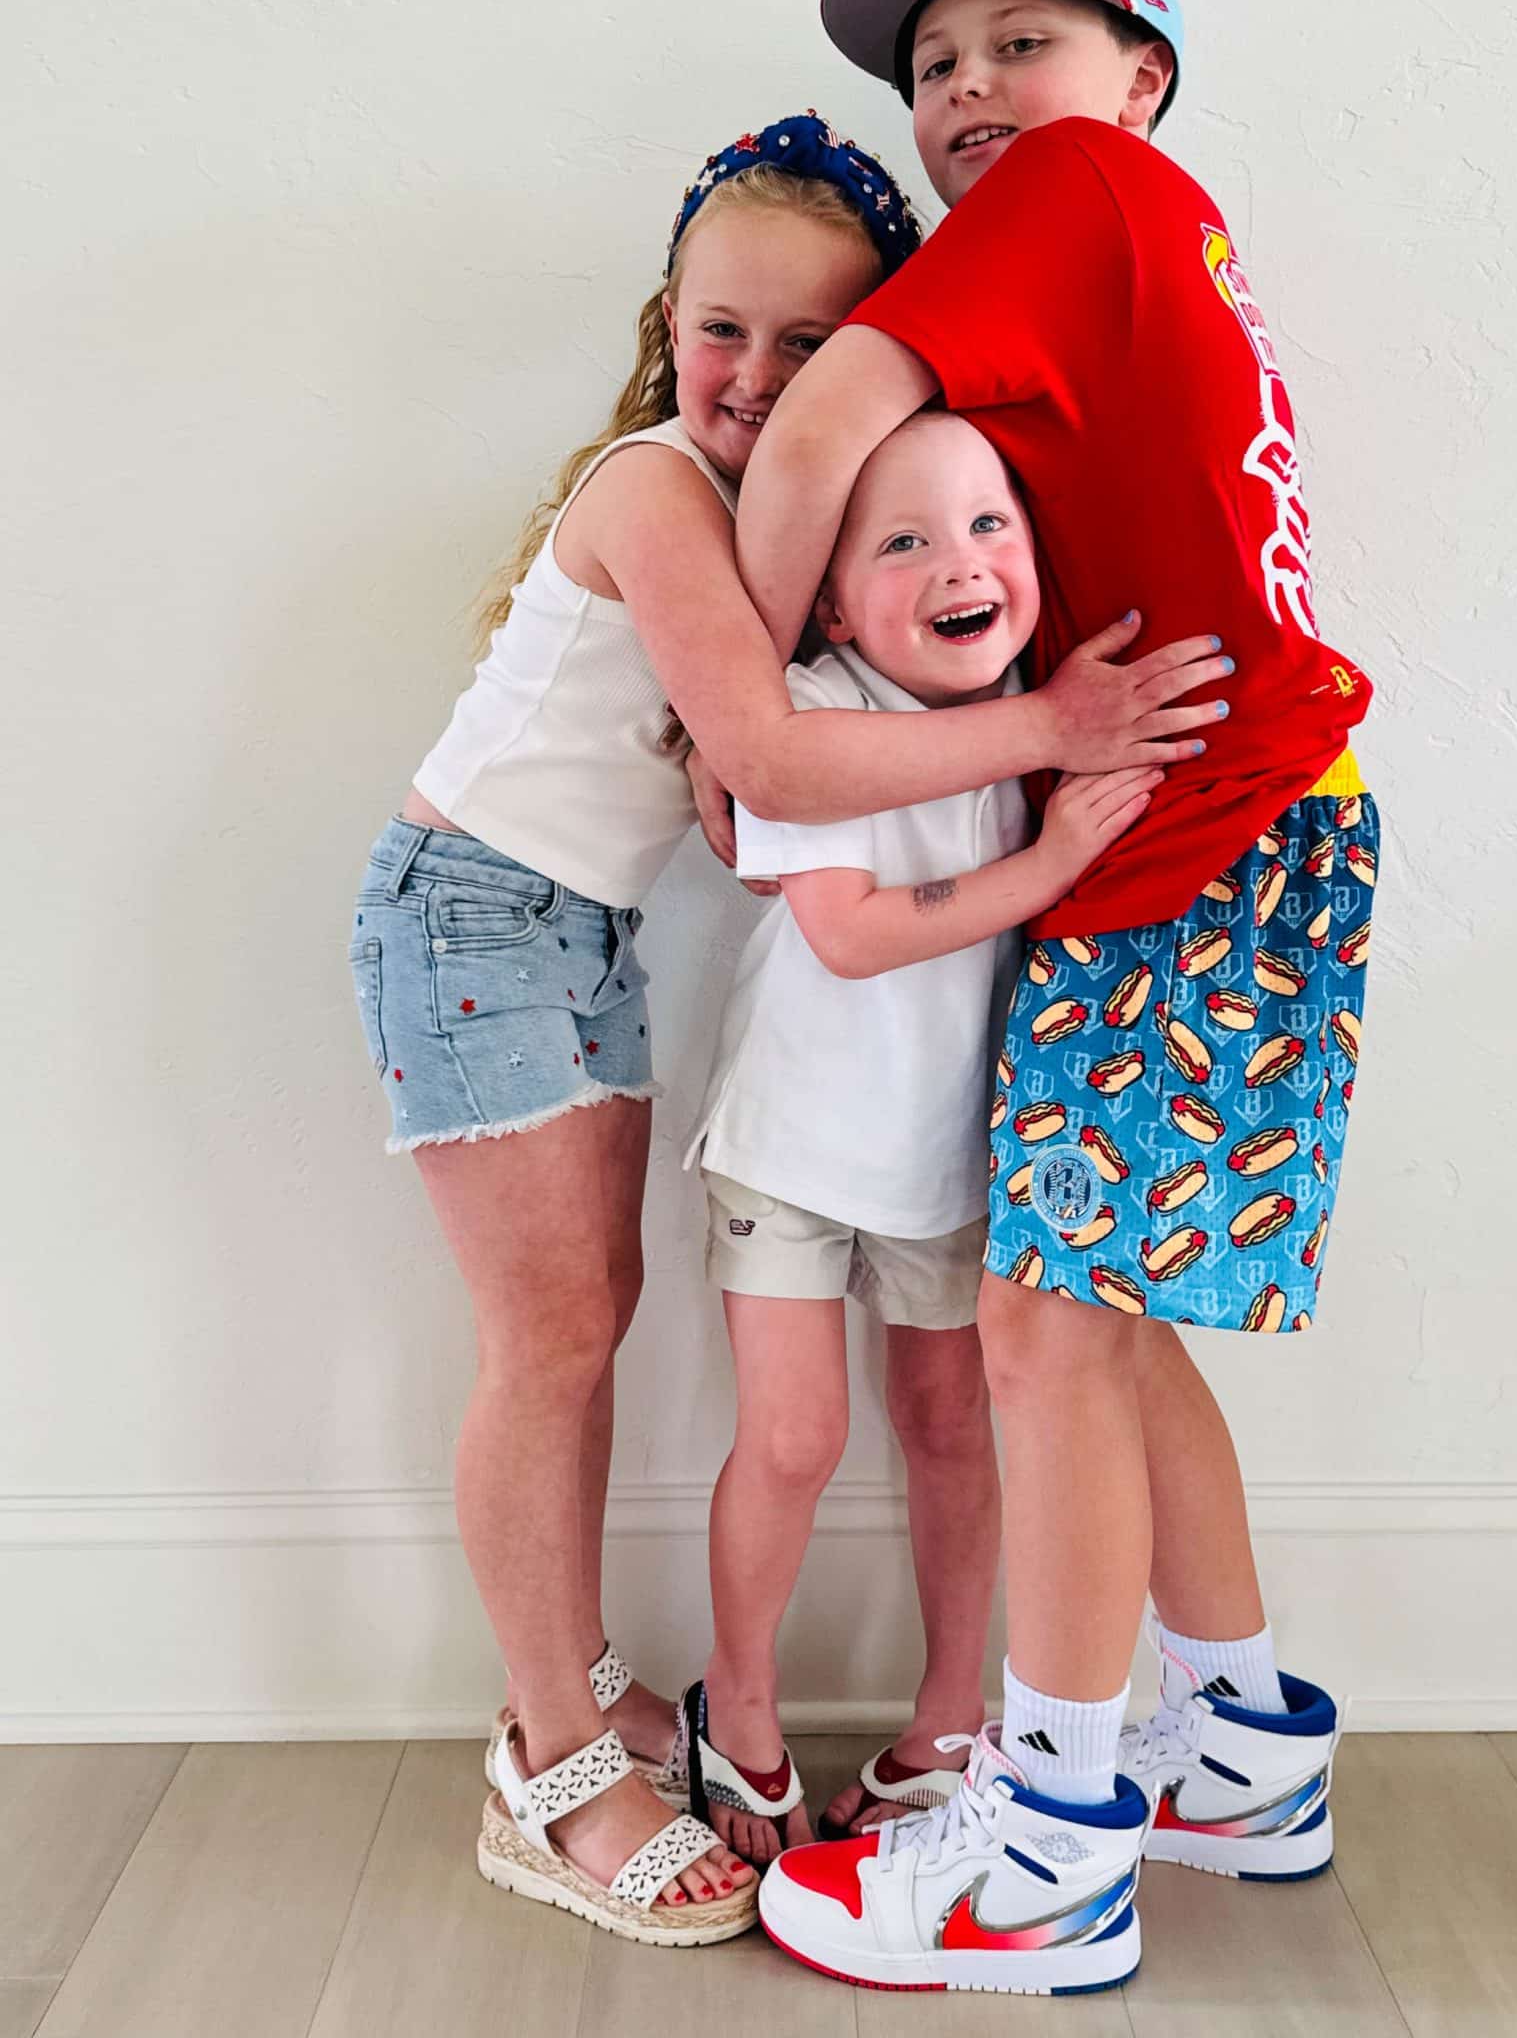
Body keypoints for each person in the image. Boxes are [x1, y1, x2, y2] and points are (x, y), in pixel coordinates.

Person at [348, 111, 1229, 1948]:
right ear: (663, 327)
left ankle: (579, 1696)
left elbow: (779, 760)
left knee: (588, 1322)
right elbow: (764, 755)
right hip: (472, 912)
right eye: (719, 330)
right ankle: (550, 1762)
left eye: (809, 343)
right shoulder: (652, 489)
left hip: (571, 929)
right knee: (550, 1339)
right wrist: (1050, 735)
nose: (753, 375)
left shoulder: (789, 518)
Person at [733, 0, 1378, 1996]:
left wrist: (748, 710)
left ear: (1140, 80)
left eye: (1023, 38)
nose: (967, 90)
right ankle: (1238, 1742)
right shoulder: (1142, 244)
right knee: (1104, 1316)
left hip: (1204, 822)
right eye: (934, 67)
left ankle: (1051, 1849)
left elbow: (815, 430)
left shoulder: (1076, 192)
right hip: (1237, 818)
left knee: (1049, 1329)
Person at [680, 410, 1160, 1867]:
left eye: (987, 524)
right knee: (794, 1437)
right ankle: (739, 1706)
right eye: (903, 542)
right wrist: (1051, 860)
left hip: (952, 1160)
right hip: (791, 1145)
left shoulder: (1045, 706)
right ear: (830, 603)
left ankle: (950, 1719)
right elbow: (851, 935)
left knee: (952, 1430)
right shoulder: (806, 719)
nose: (959, 564)